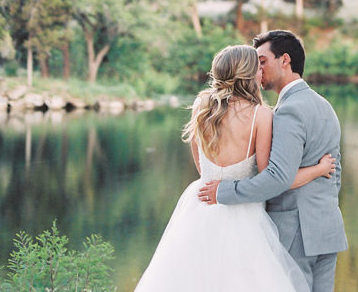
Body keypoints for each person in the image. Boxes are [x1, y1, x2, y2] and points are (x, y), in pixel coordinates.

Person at [132, 43, 335, 292]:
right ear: (249, 73)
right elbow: (270, 177)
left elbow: (201, 166)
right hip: (244, 216)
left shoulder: (201, 107)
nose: (262, 71)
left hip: (200, 207)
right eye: (258, 66)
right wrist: (318, 169)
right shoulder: (261, 115)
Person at [198, 30, 348, 292]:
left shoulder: (288, 110)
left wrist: (225, 191)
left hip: (295, 232)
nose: (258, 69)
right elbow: (334, 171)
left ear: (285, 60)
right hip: (327, 228)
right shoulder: (324, 105)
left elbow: (278, 176)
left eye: (262, 61)